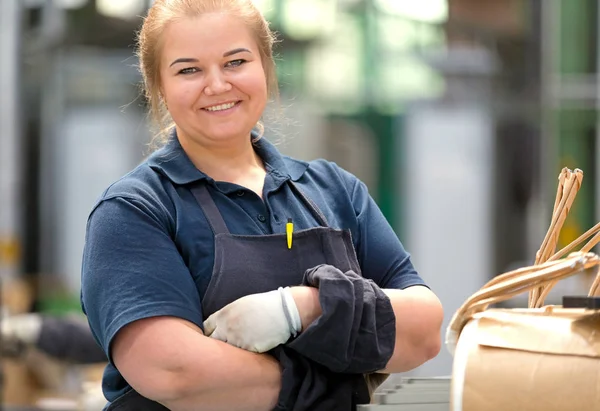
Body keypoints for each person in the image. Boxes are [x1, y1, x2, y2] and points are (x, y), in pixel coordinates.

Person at [80, 0, 444, 410]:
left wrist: (304, 307)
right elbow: (175, 373)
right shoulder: (135, 210)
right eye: (189, 70)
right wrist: (339, 387)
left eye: (235, 62)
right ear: (159, 87)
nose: (216, 85)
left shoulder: (334, 191)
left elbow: (424, 330)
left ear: (266, 68)